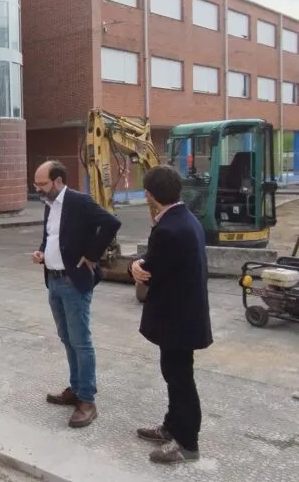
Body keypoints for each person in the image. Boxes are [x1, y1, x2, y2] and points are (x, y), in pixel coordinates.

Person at [129, 165, 212, 464]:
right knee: (174, 375)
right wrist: (142, 265)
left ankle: (188, 444)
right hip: (185, 316)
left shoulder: (168, 228)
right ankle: (172, 426)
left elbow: (151, 271)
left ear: (150, 196)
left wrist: (137, 268)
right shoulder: (185, 218)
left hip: (178, 321)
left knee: (180, 380)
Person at [32, 160, 120, 428]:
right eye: (36, 184)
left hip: (73, 283)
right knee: (67, 338)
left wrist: (92, 255)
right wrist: (42, 252)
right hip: (54, 281)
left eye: (42, 184)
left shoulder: (79, 202)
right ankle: (75, 388)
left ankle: (87, 400)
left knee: (81, 341)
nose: (38, 189)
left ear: (58, 181)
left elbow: (111, 223)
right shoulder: (49, 206)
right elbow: (51, 237)